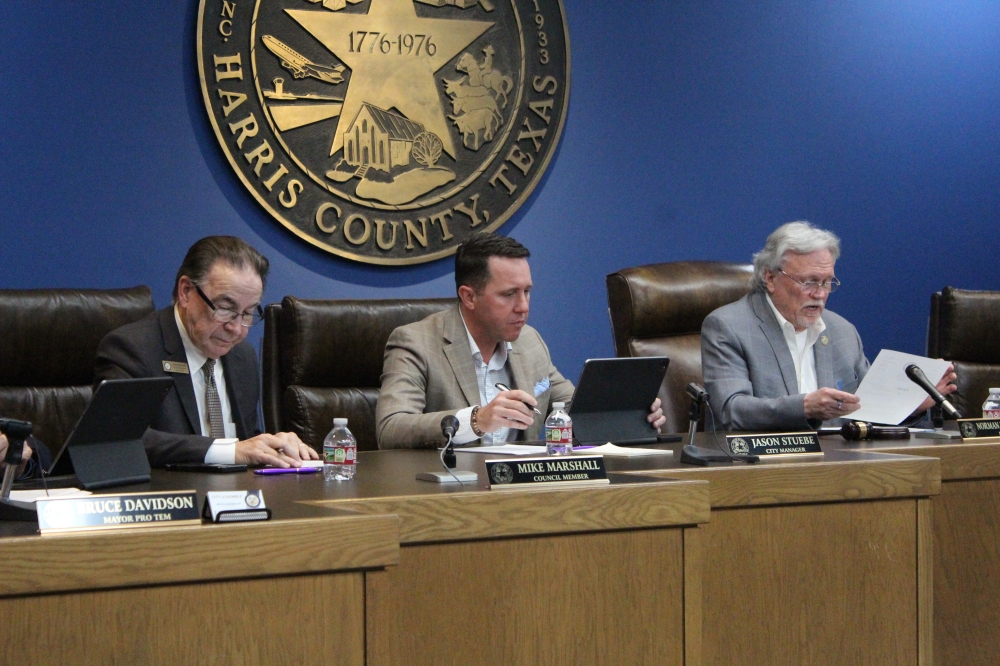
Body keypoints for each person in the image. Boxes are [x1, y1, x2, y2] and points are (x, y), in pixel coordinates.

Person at [376, 232, 665, 449]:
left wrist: (627, 411)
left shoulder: (529, 342)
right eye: (509, 294)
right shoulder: (416, 342)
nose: (523, 306)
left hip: (522, 493)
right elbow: (391, 428)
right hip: (449, 497)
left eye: (527, 291)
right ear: (469, 296)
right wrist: (476, 420)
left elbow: (570, 405)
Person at [701, 221, 957, 432]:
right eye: (809, 281)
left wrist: (909, 405)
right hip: (765, 467)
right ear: (770, 277)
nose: (820, 294)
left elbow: (866, 411)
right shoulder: (728, 326)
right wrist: (804, 407)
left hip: (840, 464)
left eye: (826, 283)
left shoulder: (842, 331)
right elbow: (730, 410)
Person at [95, 236, 318, 468]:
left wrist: (273, 447)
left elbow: (246, 442)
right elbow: (122, 441)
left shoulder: (243, 357)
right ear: (186, 292)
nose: (236, 329)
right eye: (224, 309)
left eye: (248, 313)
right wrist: (229, 451)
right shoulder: (132, 349)